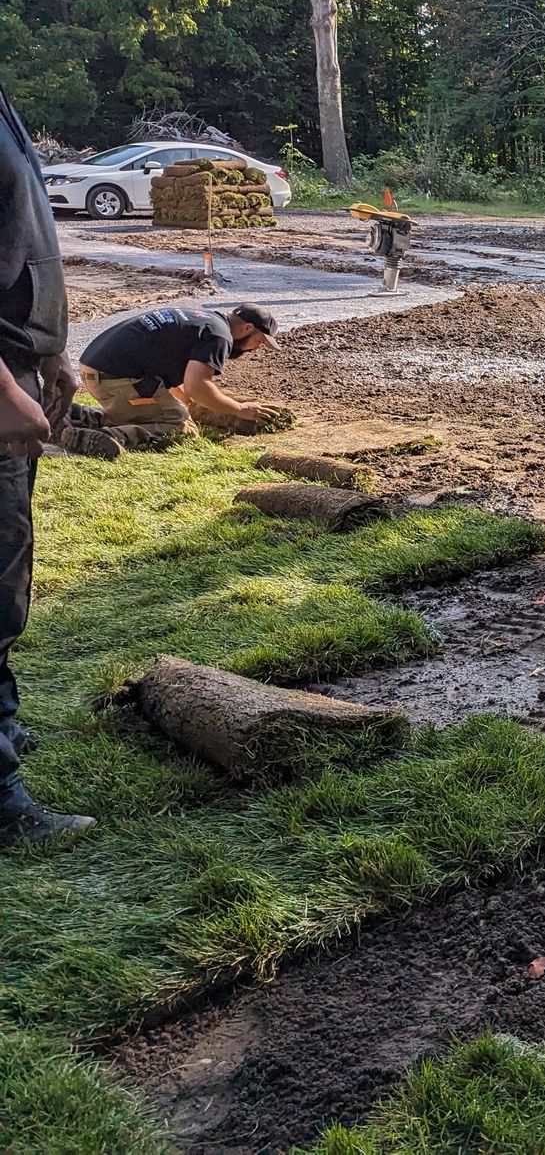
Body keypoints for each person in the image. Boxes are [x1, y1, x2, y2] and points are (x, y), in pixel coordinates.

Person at [0, 83, 95, 846]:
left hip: (18, 361)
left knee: (8, 567)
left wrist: (51, 349)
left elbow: (22, 240)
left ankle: (2, 725)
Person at [59, 303, 279, 459]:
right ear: (247, 328)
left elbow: (173, 374)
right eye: (258, 341)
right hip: (116, 378)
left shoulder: (202, 318)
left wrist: (187, 401)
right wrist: (239, 409)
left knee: (159, 411)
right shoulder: (220, 337)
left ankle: (74, 415)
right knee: (178, 425)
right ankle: (105, 437)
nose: (255, 349)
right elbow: (197, 386)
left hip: (96, 369)